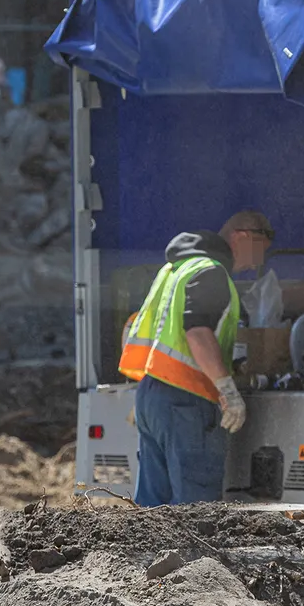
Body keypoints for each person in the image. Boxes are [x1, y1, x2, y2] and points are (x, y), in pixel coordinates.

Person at [119, 210, 274, 507]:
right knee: (195, 508)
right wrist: (228, 389)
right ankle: (190, 556)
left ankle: (150, 555)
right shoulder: (211, 272)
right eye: (260, 251)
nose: (257, 263)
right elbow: (198, 334)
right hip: (186, 401)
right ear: (241, 237)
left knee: (154, 506)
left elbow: (135, 328)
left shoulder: (174, 270)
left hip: (153, 396)